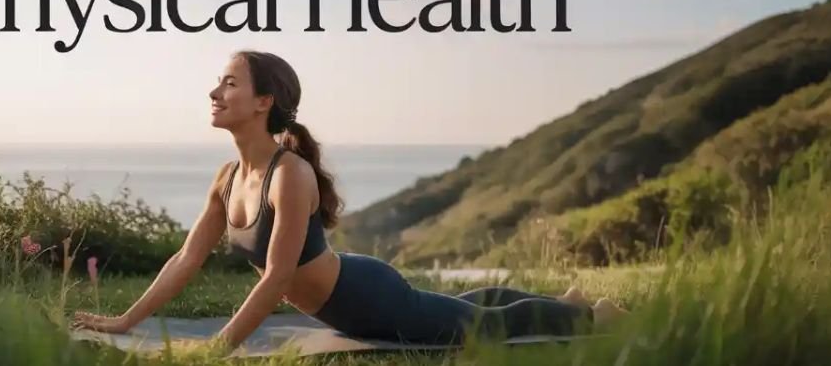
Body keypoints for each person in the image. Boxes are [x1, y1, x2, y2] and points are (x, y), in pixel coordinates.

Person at [71, 50, 626, 351]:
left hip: (369, 299)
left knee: (484, 325)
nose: (215, 93)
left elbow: (274, 276)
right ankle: (570, 296)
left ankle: (593, 315)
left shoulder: (290, 175)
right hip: (348, 300)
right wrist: (124, 320)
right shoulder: (227, 177)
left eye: (230, 83)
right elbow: (185, 260)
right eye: (217, 82)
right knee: (465, 306)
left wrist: (218, 347)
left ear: (265, 101)